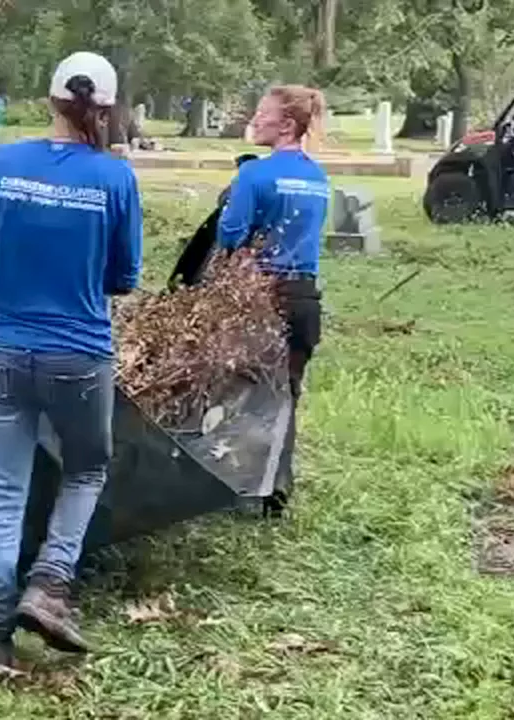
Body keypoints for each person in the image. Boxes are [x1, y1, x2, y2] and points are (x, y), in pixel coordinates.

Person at [0, 51, 141, 675]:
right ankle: (50, 585)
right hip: (79, 354)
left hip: (2, 350)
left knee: (3, 496)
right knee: (85, 470)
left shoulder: (1, 163)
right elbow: (124, 277)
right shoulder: (114, 179)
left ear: (49, 100)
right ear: (104, 108)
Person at [216, 85, 330, 518]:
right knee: (287, 393)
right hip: (304, 298)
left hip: (259, 296)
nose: (255, 119)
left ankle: (230, 481)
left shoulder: (254, 175)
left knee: (238, 387)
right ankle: (275, 492)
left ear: (286, 125)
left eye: (262, 113)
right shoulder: (318, 177)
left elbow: (230, 236)